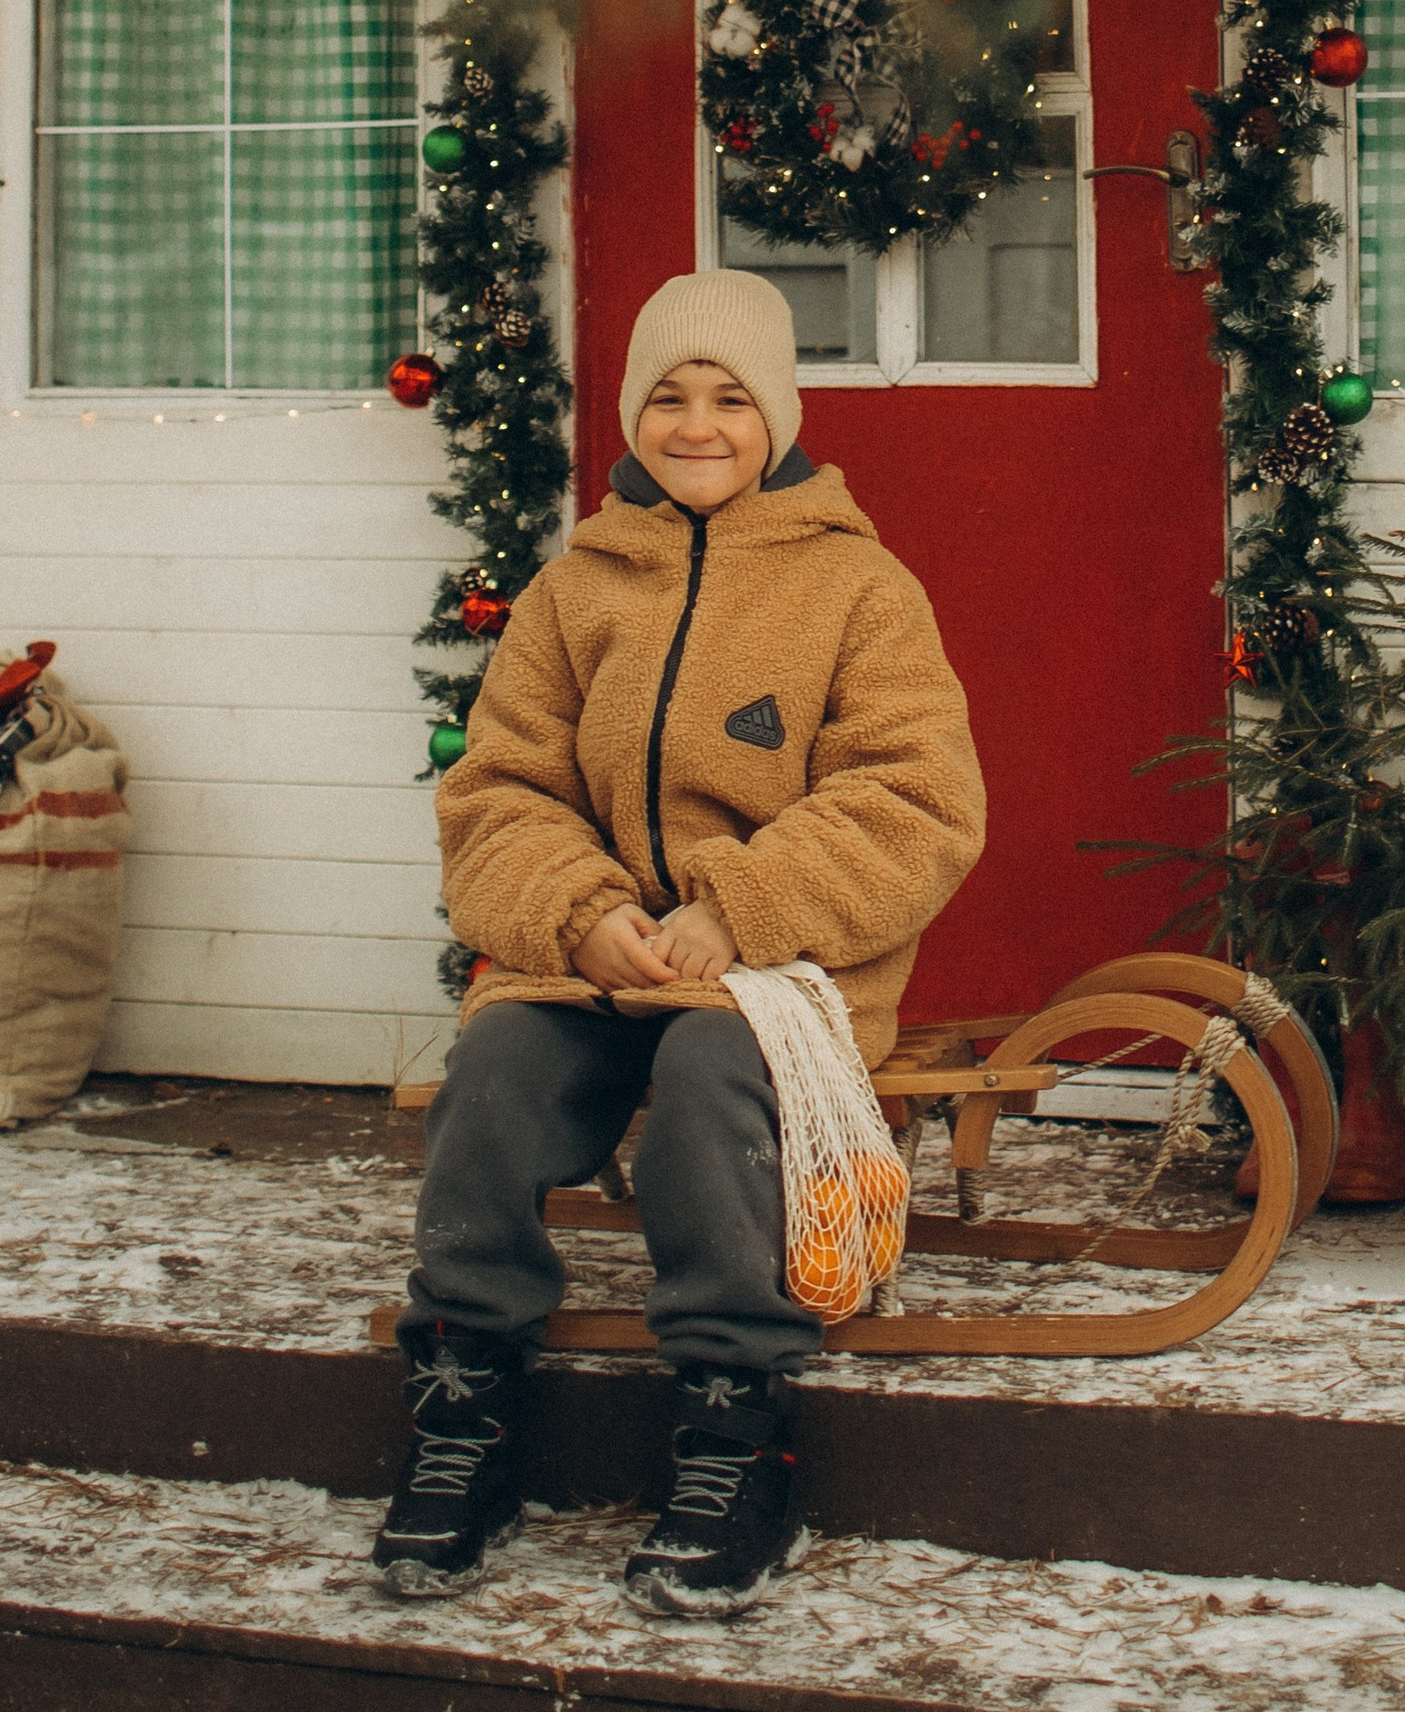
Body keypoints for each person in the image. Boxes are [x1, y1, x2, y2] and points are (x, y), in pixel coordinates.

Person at [377, 266, 985, 1617]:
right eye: (667, 395)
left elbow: (916, 799)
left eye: (729, 398)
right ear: (631, 416)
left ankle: (733, 1427)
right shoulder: (572, 591)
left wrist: (744, 912)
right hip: (597, 961)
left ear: (778, 416)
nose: (697, 424)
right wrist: (585, 920)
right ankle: (465, 1405)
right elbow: (498, 792)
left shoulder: (857, 590)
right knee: (495, 1080)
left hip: (774, 969)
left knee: (715, 1089)